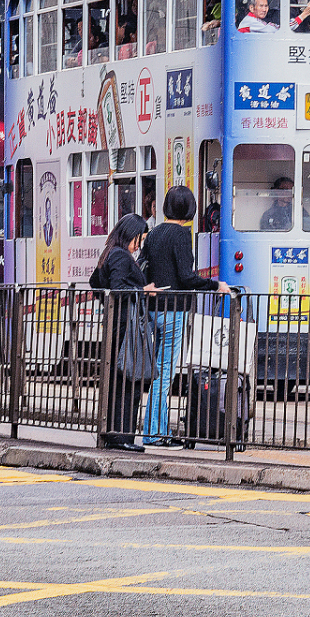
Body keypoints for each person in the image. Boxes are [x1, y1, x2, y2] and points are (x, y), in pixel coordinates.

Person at [141, 186, 233, 448]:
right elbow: (186, 276)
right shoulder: (181, 234)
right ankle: (155, 433)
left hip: (152, 310)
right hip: (174, 310)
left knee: (156, 372)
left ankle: (152, 429)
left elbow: (145, 269)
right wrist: (217, 286)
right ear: (190, 208)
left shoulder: (154, 232)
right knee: (164, 373)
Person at [89, 213, 156, 452]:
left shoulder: (109, 251)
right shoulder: (120, 255)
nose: (139, 244)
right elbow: (117, 287)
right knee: (128, 381)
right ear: (130, 234)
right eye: (139, 238)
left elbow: (94, 282)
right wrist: (142, 289)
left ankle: (114, 434)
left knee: (119, 381)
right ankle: (122, 436)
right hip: (124, 327)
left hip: (115, 325)